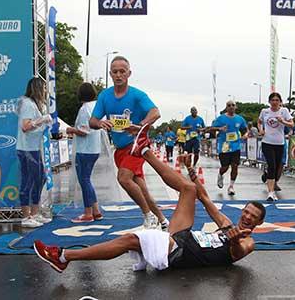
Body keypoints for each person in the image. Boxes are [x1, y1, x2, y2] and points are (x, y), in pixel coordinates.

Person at [33, 124, 266, 273]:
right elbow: (204, 197)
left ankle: (64, 256)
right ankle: (144, 150)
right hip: (185, 236)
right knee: (189, 189)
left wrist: (235, 240)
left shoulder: (248, 241)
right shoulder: (227, 224)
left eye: (252, 217)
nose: (246, 217)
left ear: (257, 223)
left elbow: (237, 253)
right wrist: (190, 171)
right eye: (246, 212)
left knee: (129, 240)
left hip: (182, 253)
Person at [89, 55, 169, 230]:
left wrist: (139, 126)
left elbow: (155, 113)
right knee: (141, 188)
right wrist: (100, 123)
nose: (118, 75)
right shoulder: (105, 96)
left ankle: (148, 216)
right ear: (110, 74)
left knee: (124, 179)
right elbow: (92, 121)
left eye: (122, 72)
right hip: (120, 149)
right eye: (115, 72)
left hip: (137, 145)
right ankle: (163, 220)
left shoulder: (137, 95)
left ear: (129, 73)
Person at [16, 77, 53, 228]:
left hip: (33, 148)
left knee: (39, 179)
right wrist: (42, 120)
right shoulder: (28, 104)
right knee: (29, 181)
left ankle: (35, 212)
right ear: (37, 88)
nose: (45, 91)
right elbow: (25, 126)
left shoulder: (35, 105)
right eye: (44, 88)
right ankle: (26, 216)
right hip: (26, 149)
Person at [66, 83, 103, 223]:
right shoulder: (96, 107)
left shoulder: (84, 109)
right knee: (87, 180)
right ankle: (96, 210)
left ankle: (88, 213)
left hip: (84, 150)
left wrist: (71, 129)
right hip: (94, 148)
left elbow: (83, 131)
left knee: (84, 180)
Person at [258, 92, 294, 201]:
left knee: (278, 166)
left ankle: (271, 187)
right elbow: (259, 122)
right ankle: (270, 192)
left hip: (279, 143)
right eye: (272, 100)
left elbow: (292, 124)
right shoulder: (265, 111)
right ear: (269, 102)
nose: (274, 102)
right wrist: (261, 130)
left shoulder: (284, 111)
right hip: (267, 142)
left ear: (280, 102)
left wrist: (282, 121)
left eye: (277, 100)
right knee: (272, 166)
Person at [208, 101, 248, 195]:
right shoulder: (221, 118)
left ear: (236, 107)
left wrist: (245, 135)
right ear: (226, 107)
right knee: (225, 167)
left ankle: (231, 186)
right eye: (229, 105)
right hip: (224, 147)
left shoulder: (239, 119)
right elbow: (211, 129)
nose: (231, 107)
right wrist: (220, 129)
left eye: (233, 105)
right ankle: (220, 174)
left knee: (235, 166)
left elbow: (245, 130)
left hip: (236, 146)